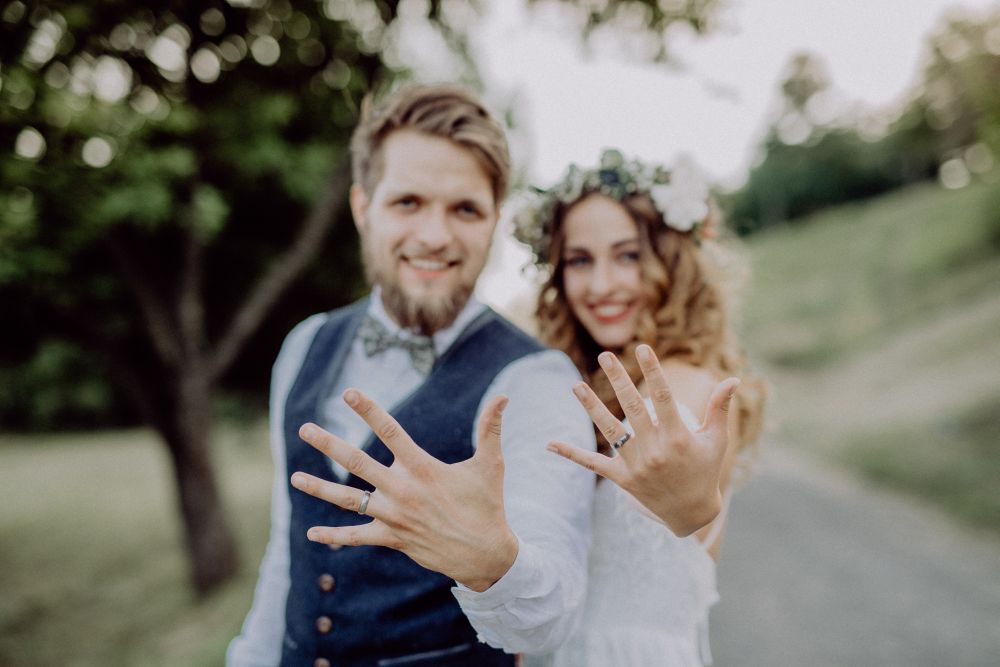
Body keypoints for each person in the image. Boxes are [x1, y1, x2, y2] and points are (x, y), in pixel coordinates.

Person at [227, 84, 599, 667]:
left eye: (465, 209)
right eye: (408, 203)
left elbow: (551, 617)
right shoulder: (304, 345)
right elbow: (285, 551)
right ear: (361, 207)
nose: (434, 236)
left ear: (494, 222)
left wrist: (490, 561)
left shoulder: (536, 381)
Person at [512, 149, 768, 666]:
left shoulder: (691, 388)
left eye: (628, 255)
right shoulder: (577, 385)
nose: (602, 285)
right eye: (580, 260)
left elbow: (693, 516)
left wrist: (692, 506)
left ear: (671, 263)